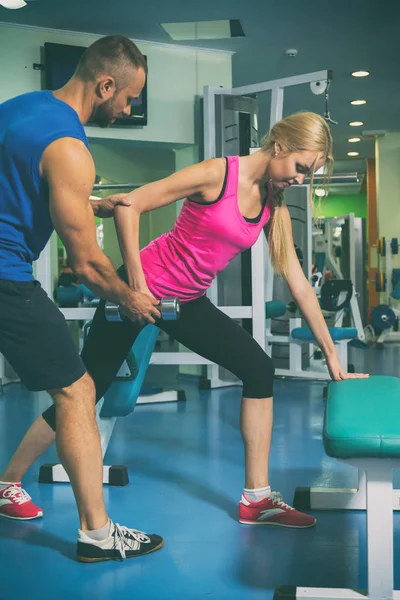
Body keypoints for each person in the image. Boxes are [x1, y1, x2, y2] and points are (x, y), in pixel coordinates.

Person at [0, 112, 369, 535]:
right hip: (137, 290)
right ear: (280, 146)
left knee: (258, 369)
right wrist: (136, 289)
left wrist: (331, 358)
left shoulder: (273, 204)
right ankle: (7, 482)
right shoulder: (217, 174)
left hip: (186, 300)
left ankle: (257, 498)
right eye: (302, 168)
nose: (301, 180)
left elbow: (300, 285)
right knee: (85, 390)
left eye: (310, 174)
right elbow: (128, 206)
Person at [0, 35, 164, 562]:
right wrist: (130, 300)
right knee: (77, 391)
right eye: (129, 97)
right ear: (106, 84)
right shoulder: (72, 149)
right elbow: (87, 265)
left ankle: (7, 485)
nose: (130, 107)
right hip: (4, 275)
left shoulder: (22, 108)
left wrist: (88, 204)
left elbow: (22, 182)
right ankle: (98, 534)